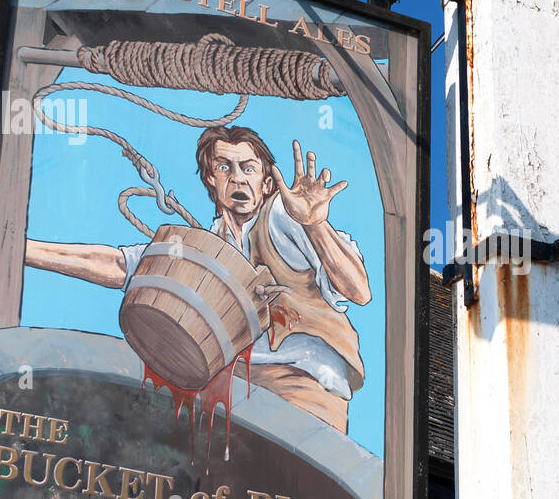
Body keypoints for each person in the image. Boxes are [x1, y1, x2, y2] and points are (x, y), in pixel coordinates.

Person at [24, 126, 369, 433]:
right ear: (210, 180)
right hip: (239, 393)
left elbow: (358, 291)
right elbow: (122, 265)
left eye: (248, 168)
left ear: (265, 182)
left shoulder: (284, 218)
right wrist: (22, 249)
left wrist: (314, 224)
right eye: (224, 167)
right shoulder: (210, 247)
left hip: (302, 388)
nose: (237, 178)